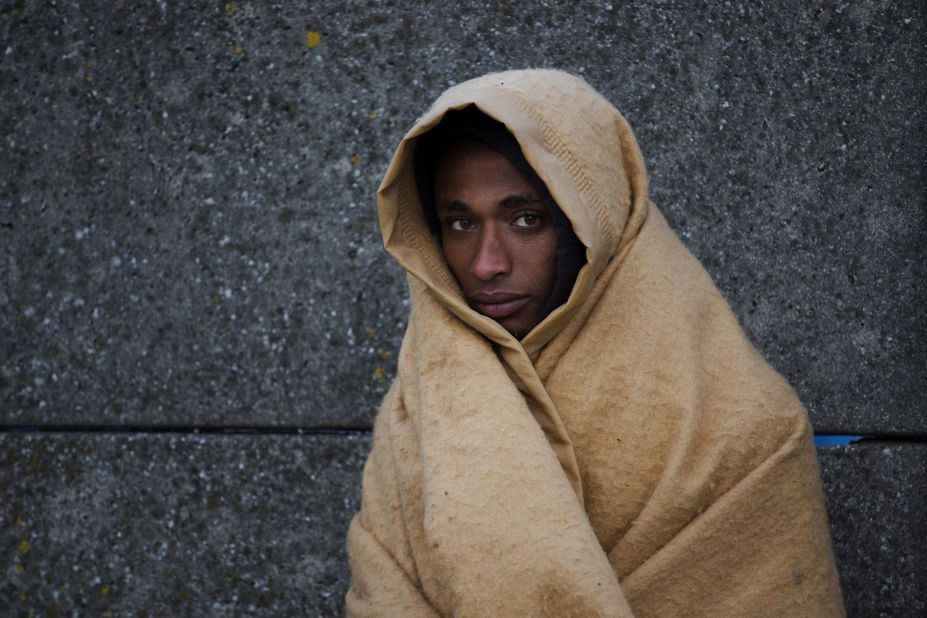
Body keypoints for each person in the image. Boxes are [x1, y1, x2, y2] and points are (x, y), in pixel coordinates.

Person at [345, 69, 845, 617]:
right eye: (460, 223)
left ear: (593, 222)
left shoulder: (747, 432)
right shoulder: (412, 418)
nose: (488, 263)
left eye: (527, 219)